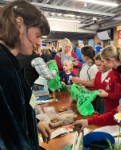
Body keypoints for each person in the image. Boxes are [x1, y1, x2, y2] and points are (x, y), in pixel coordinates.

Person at [0, 1, 51, 149]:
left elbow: (14, 110)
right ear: (19, 24)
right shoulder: (2, 66)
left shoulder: (10, 62)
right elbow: (10, 137)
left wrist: (35, 122)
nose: (39, 43)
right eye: (38, 35)